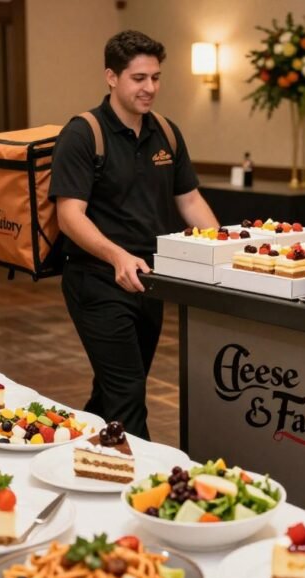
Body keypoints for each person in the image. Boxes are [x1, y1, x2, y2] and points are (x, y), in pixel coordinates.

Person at [51, 30, 219, 439]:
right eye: (139, 78)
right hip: (97, 280)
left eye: (156, 78)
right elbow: (69, 216)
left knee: (113, 391)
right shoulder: (82, 134)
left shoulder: (166, 131)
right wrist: (117, 256)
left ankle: (73, 449)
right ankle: (145, 488)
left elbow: (190, 200)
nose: (150, 88)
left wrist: (226, 248)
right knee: (128, 392)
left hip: (148, 281)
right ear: (111, 77)